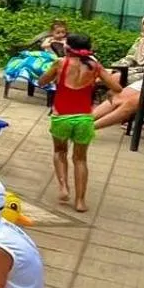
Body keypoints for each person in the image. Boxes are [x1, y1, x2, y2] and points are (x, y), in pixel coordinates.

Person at [40, 33, 116, 210]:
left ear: (67, 47)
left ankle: (63, 187)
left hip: (62, 117)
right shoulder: (95, 66)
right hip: (84, 118)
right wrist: (101, 85)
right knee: (80, 160)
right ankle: (80, 201)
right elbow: (117, 87)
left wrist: (54, 78)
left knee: (60, 152)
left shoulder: (61, 63)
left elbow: (42, 81)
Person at [4, 19, 68, 90]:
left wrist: (63, 44)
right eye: (58, 33)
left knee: (55, 65)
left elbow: (67, 49)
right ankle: (30, 74)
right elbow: (43, 45)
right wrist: (52, 43)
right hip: (46, 56)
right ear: (52, 32)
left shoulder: (65, 40)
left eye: (63, 32)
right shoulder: (49, 39)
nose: (61, 34)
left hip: (56, 57)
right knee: (32, 62)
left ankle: (50, 82)